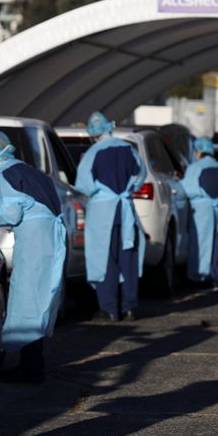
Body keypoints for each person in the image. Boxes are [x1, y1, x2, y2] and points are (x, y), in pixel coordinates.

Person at [0, 131, 67, 384]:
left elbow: (11, 214)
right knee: (39, 299)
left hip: (35, 241)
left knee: (27, 300)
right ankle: (32, 364)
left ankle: (31, 368)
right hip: (49, 239)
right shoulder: (31, 171)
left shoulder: (4, 174)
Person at [75, 112, 146, 323]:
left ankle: (109, 309)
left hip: (102, 214)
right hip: (125, 213)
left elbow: (84, 184)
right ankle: (130, 307)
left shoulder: (92, 153)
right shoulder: (128, 149)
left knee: (105, 260)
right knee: (128, 261)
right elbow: (140, 176)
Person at [183, 137, 218, 287]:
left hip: (200, 211)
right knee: (216, 243)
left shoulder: (195, 167)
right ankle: (214, 275)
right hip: (217, 210)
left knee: (200, 243)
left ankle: (199, 276)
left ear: (198, 150)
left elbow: (188, 189)